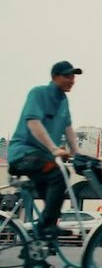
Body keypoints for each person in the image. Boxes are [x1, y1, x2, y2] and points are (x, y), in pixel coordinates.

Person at [8, 61, 82, 238]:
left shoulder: (64, 101)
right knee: (59, 173)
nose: (71, 80)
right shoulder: (38, 93)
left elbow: (68, 128)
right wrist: (54, 149)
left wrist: (78, 154)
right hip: (23, 154)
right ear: (54, 77)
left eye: (73, 76)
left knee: (59, 184)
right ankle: (47, 228)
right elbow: (33, 122)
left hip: (42, 159)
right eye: (67, 76)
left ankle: (39, 246)